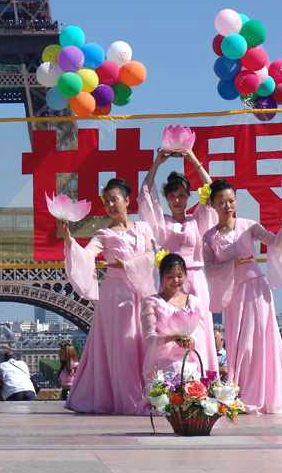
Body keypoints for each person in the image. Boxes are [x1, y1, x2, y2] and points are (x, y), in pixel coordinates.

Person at [202, 179, 282, 414]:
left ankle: (266, 393)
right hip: (232, 294)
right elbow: (208, 269)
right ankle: (241, 391)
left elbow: (275, 242)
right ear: (212, 205)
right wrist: (232, 263)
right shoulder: (208, 237)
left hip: (256, 289)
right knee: (240, 344)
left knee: (259, 341)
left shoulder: (249, 226)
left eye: (231, 201)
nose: (228, 206)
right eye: (222, 202)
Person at [62, 178, 156, 414]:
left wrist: (131, 265)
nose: (111, 205)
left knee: (144, 341)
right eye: (107, 202)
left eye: (115, 199)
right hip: (116, 293)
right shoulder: (103, 234)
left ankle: (150, 394)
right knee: (123, 344)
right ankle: (128, 397)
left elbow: (154, 255)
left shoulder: (144, 229)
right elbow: (86, 256)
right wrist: (70, 241)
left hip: (142, 290)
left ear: (127, 200)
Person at [139, 149, 218, 372]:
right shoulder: (161, 222)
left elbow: (212, 189)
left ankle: (204, 376)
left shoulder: (197, 220)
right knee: (168, 328)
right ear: (166, 198)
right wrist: (157, 162)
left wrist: (192, 157)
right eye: (172, 196)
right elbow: (146, 193)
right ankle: (170, 377)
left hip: (196, 280)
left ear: (189, 197)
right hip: (170, 281)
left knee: (200, 330)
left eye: (182, 195)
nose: (177, 200)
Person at [141, 253, 210, 384]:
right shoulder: (151, 303)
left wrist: (190, 341)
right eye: (170, 277)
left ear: (185, 275)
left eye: (179, 276)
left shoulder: (193, 301)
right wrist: (173, 338)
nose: (176, 280)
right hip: (161, 367)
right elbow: (149, 339)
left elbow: (201, 338)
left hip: (190, 364)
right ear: (161, 277)